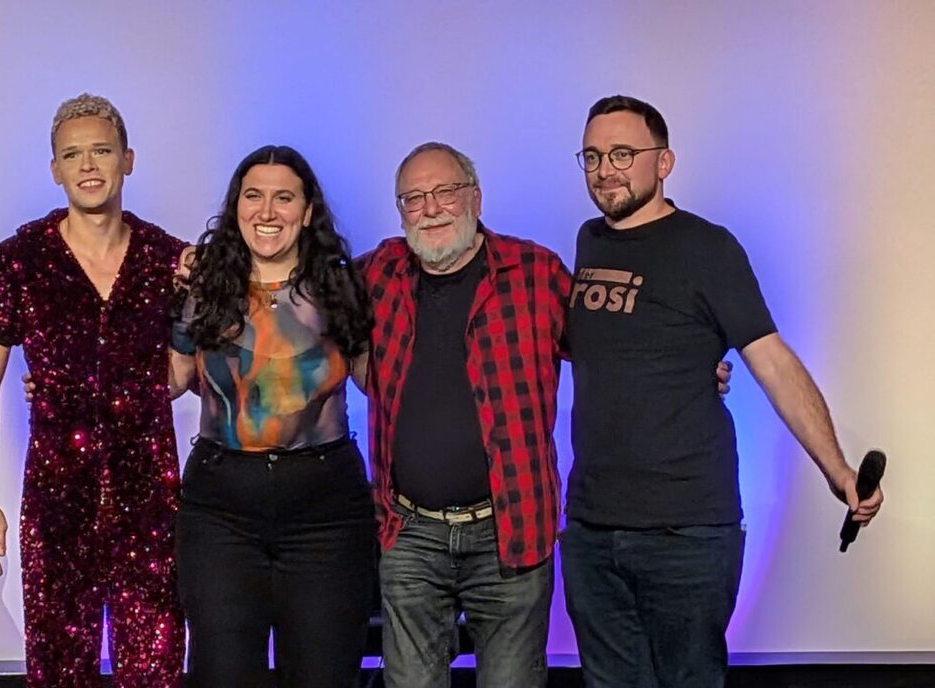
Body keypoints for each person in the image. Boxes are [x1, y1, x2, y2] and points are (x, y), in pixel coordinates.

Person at [560, 94, 885, 688]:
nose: (605, 168)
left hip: (686, 530)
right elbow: (606, 346)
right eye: (592, 155)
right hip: (590, 529)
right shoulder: (588, 242)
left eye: (623, 153)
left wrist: (837, 469)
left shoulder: (707, 248)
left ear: (664, 163)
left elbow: (774, 363)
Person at [0, 93, 186, 688]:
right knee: (59, 670)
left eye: (101, 151)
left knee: (156, 669)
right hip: (58, 502)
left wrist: (135, 385)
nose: (88, 165)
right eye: (72, 154)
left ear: (128, 160)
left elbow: (184, 374)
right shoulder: (19, 262)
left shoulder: (170, 260)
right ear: (55, 169)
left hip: (151, 503)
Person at [358, 142, 573, 688]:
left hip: (511, 531)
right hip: (410, 534)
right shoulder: (376, 273)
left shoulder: (537, 273)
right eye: (413, 198)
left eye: (445, 192)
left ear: (475, 197)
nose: (430, 208)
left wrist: (693, 363)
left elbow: (613, 346)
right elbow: (293, 285)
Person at [169, 145, 377, 688]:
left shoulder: (341, 286)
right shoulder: (203, 286)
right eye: (253, 196)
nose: (267, 211)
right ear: (236, 207)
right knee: (223, 674)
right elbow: (171, 382)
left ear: (308, 211)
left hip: (326, 508)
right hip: (221, 509)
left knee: (324, 675)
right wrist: (62, 386)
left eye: (284, 197)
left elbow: (375, 380)